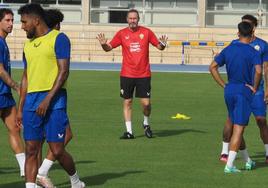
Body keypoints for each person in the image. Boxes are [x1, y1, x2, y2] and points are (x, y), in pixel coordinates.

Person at [16, 4, 85, 188]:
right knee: (31, 149)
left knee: (57, 149)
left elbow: (64, 72)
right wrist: (21, 107)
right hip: (31, 103)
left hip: (54, 102)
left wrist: (47, 100)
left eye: (24, 22)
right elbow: (25, 77)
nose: (22, 26)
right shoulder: (27, 45)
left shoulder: (59, 39)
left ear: (36, 20)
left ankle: (76, 182)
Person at [97, 9, 167, 139]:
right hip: (127, 74)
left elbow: (159, 46)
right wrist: (103, 45)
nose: (132, 21)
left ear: (138, 19)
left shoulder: (146, 32)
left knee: (146, 104)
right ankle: (129, 132)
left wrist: (163, 45)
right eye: (130, 18)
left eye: (135, 18)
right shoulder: (121, 34)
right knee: (127, 102)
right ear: (127, 19)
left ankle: (146, 123)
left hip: (144, 74)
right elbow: (109, 48)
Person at [210, 21, 262, 173]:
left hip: (229, 90)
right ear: (252, 34)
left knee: (235, 126)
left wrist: (224, 85)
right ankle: (230, 165)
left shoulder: (229, 49)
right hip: (243, 92)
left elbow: (212, 67)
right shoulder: (253, 52)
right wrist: (255, 86)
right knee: (239, 129)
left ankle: (248, 160)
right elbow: (259, 71)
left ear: (238, 33)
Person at [219, 14, 268, 163]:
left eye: (246, 24)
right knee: (232, 121)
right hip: (241, 90)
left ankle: (266, 153)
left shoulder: (263, 45)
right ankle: (225, 151)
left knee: (261, 120)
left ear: (253, 27)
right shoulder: (234, 44)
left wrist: (267, 89)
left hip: (257, 90)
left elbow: (265, 68)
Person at [35, 9, 74, 188]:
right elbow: (63, 70)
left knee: (43, 139)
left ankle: (39, 174)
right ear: (56, 24)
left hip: (37, 96)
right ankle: (40, 174)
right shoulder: (58, 38)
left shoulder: (34, 41)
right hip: (53, 97)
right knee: (56, 140)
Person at [0, 8, 25, 177]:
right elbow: (0, 70)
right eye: (7, 20)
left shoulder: (4, 41)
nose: (11, 24)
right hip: (2, 93)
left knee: (15, 128)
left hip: (5, 94)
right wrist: (16, 86)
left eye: (12, 20)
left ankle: (25, 168)